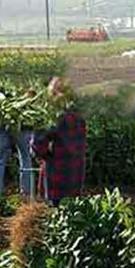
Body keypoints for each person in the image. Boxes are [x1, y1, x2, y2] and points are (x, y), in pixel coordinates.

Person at [31, 78, 86, 207]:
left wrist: (41, 154)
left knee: (55, 212)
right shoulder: (78, 114)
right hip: (76, 171)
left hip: (56, 171)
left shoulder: (53, 114)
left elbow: (39, 144)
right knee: (71, 211)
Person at [0, 89, 37, 197]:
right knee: (25, 158)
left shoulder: (0, 85)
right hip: (22, 126)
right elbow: (31, 94)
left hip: (3, 124)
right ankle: (26, 193)